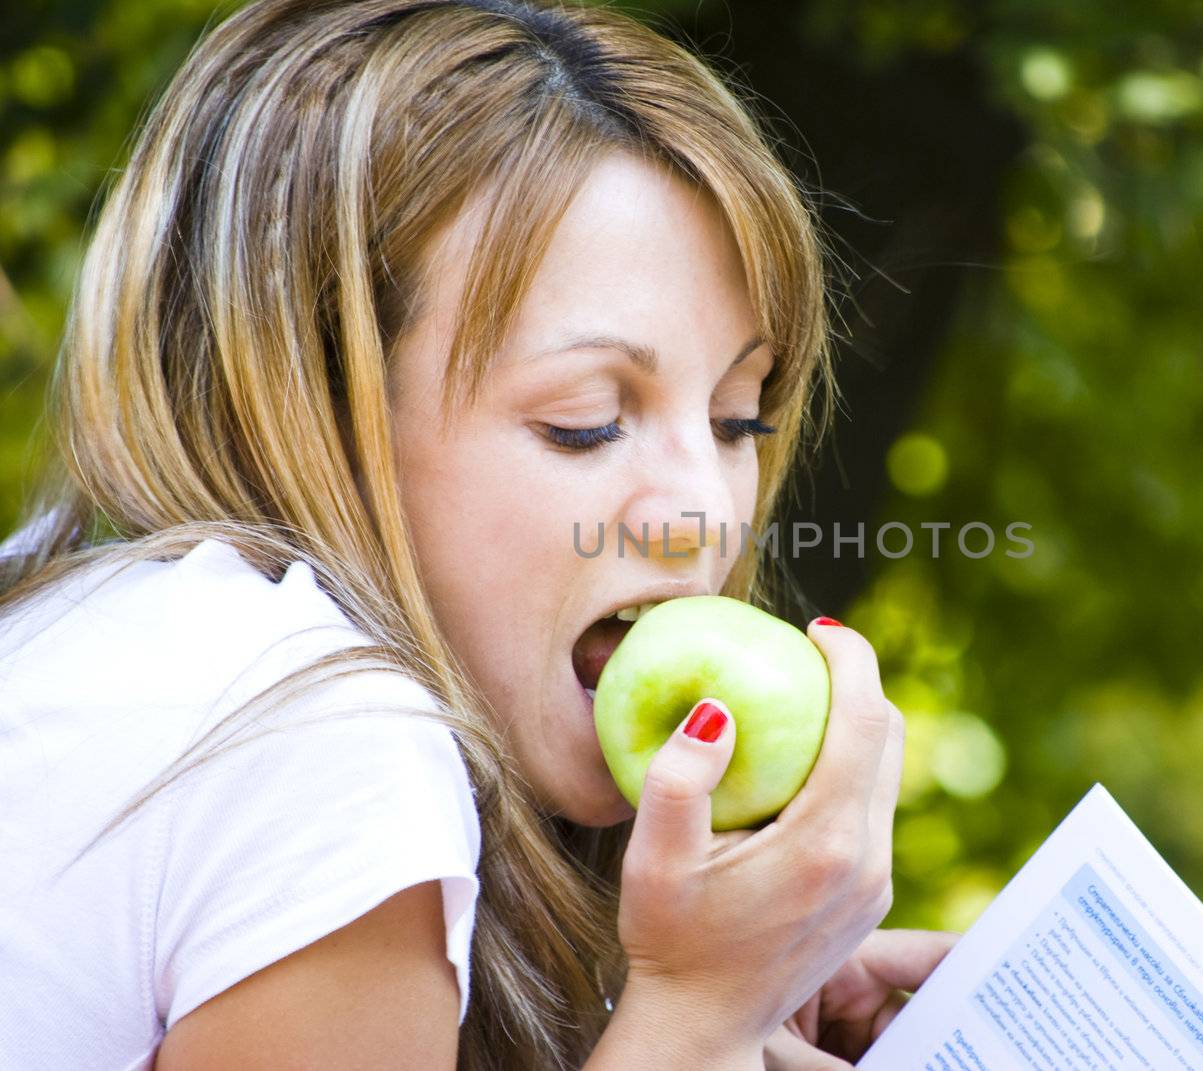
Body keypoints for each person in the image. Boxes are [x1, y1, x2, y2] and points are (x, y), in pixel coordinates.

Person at [0, 1, 959, 1067]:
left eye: (738, 419)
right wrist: (695, 1018)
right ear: (319, 412)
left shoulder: (83, 608)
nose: (707, 515)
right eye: (584, 422)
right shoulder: (318, 737)